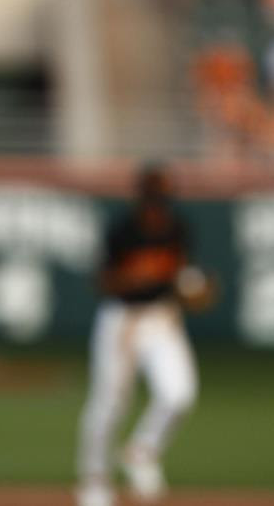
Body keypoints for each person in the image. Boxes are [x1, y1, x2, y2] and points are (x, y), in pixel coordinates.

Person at [77, 163, 199, 506]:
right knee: (109, 403)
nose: (157, 206)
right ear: (143, 198)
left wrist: (192, 291)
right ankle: (94, 482)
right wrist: (138, 278)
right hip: (122, 320)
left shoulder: (177, 228)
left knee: (179, 393)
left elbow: (181, 274)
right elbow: (103, 281)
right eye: (153, 199)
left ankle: (140, 451)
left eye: (162, 199)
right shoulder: (123, 229)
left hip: (162, 319)